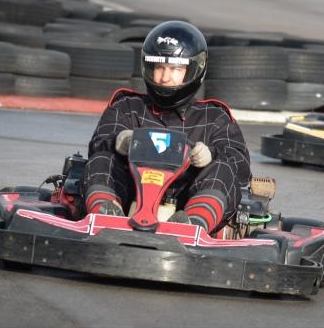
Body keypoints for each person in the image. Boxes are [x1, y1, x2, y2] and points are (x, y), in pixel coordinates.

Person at [79, 20, 251, 234]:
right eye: (159, 67)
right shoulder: (128, 107)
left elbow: (242, 168)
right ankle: (105, 214)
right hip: (128, 195)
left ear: (194, 70)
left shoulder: (213, 117)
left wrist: (211, 154)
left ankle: (193, 224)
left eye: (175, 69)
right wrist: (119, 141)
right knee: (103, 158)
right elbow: (97, 146)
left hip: (187, 197)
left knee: (222, 168)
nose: (165, 77)